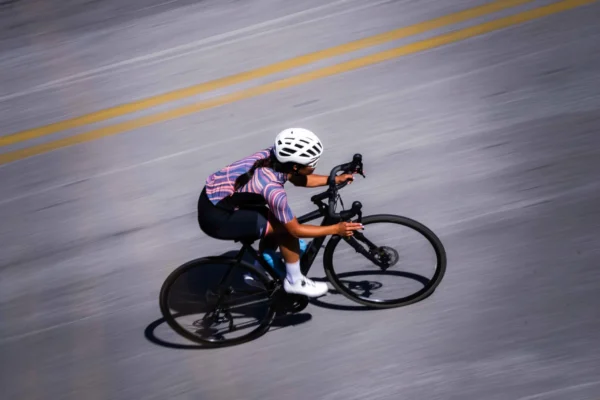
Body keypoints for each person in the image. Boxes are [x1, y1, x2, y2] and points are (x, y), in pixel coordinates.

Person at [197, 127, 364, 297]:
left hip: (218, 198)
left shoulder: (275, 157)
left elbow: (298, 179)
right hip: (217, 218)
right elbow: (296, 230)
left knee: (278, 222)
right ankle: (295, 282)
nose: (315, 165)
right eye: (313, 163)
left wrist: (334, 179)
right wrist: (336, 229)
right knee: (287, 231)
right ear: (295, 166)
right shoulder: (272, 189)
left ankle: (258, 270)